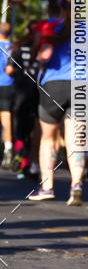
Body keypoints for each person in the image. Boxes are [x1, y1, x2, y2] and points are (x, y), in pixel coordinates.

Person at [28, 0, 87, 205]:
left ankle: (47, 186)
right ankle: (76, 185)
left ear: (61, 6)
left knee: (48, 138)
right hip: (81, 85)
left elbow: (43, 55)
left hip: (53, 84)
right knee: (75, 138)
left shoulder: (52, 26)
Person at [5, 20, 40, 179]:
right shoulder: (42, 49)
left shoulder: (18, 50)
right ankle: (34, 164)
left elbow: (10, 69)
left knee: (19, 127)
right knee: (37, 129)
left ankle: (21, 155)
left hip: (20, 92)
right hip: (39, 92)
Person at [0, 22, 15, 169]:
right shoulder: (12, 47)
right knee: (6, 117)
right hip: (8, 84)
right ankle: (8, 147)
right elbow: (11, 69)